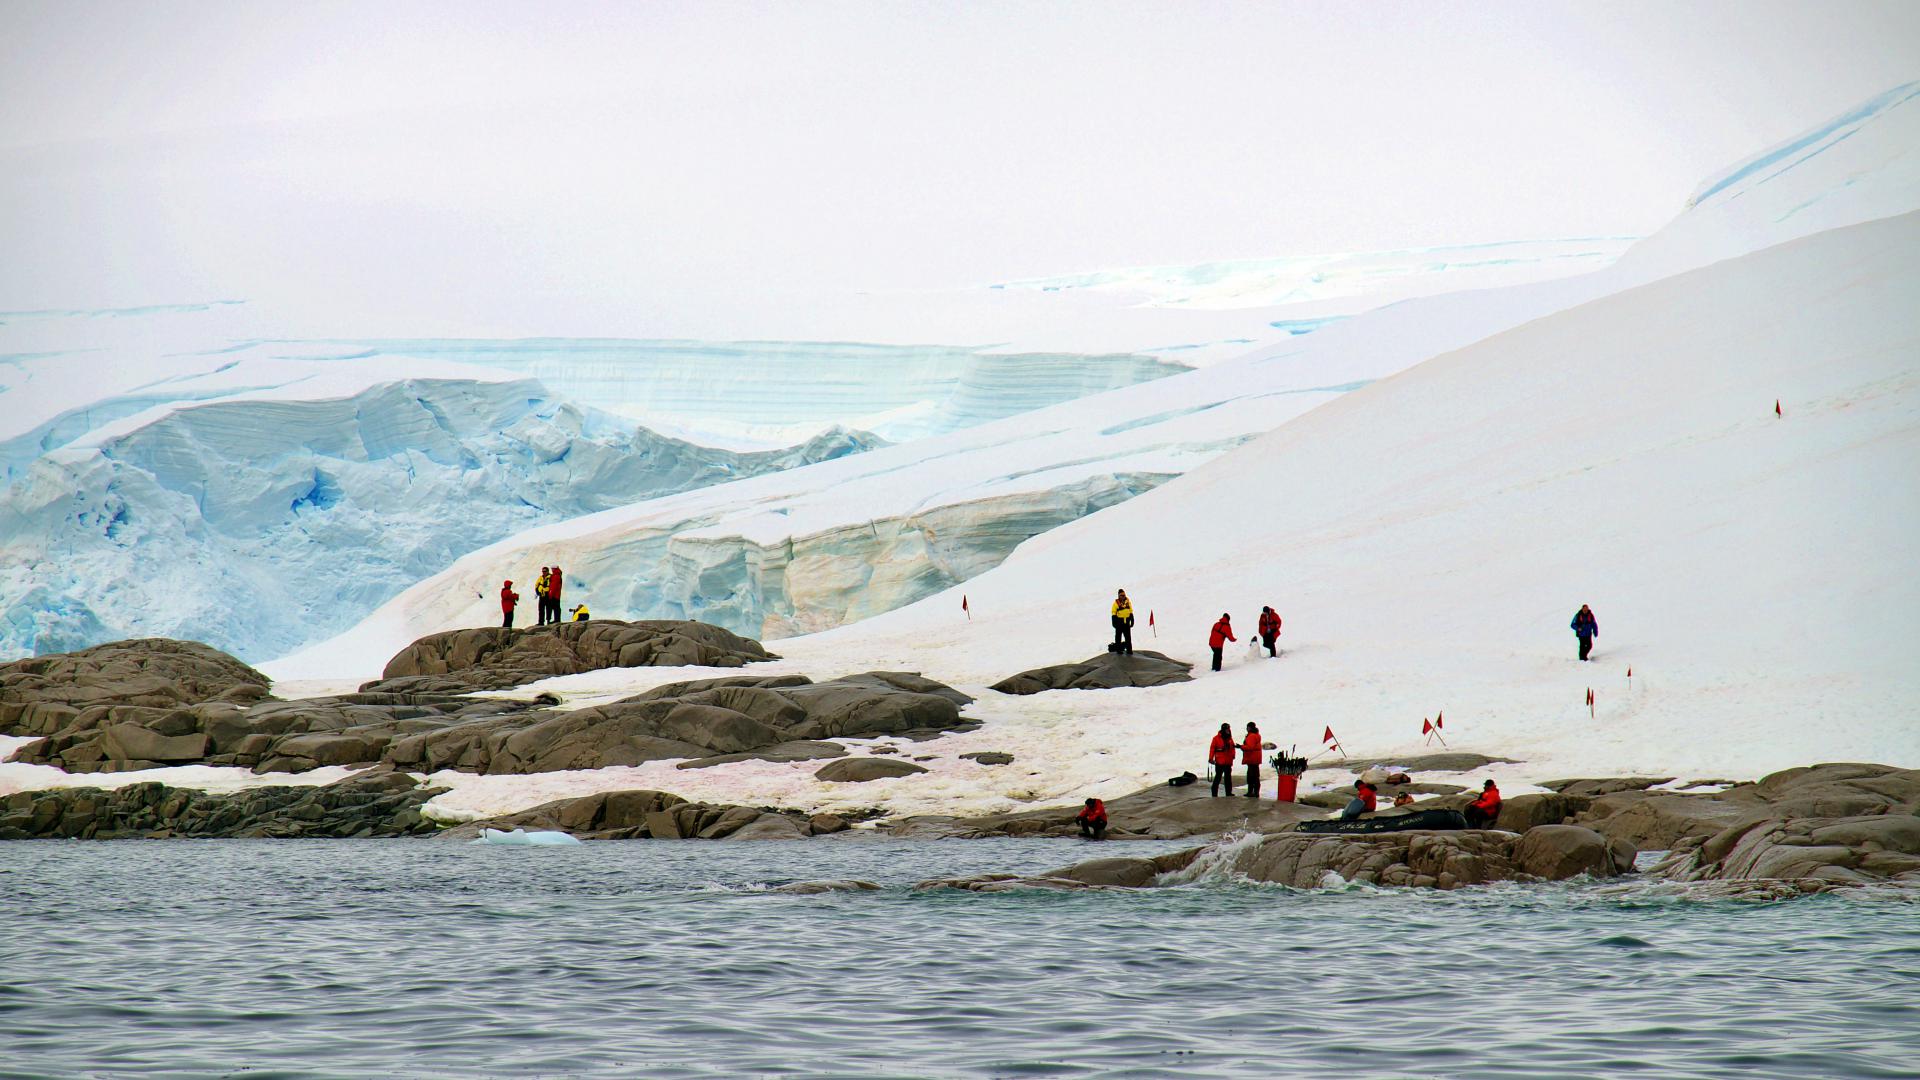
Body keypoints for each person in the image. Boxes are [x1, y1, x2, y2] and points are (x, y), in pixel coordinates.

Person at [1208, 723, 1237, 796]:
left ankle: (1228, 792)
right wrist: (1211, 758)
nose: (1228, 730)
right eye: (1227, 729)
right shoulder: (1216, 738)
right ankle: (1214, 793)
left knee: (1228, 778)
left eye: (1228, 729)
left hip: (1228, 761)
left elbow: (1232, 748)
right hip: (1220, 761)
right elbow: (1212, 748)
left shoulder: (1230, 738)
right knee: (1218, 777)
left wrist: (1233, 755)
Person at [1241, 722, 1265, 798]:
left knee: (1252, 776)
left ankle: (1252, 792)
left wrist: (1241, 746)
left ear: (1250, 728)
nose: (1246, 728)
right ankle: (1255, 792)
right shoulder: (1256, 735)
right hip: (1255, 759)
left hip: (1252, 758)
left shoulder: (1251, 736)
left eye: (1247, 727)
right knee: (1254, 776)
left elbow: (1249, 747)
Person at [1110, 589, 1135, 655]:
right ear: (1118, 596)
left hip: (1126, 622)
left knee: (1128, 638)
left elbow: (1130, 610)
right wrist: (1114, 621)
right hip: (1119, 623)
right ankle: (1118, 650)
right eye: (1121, 595)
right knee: (1118, 637)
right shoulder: (1116, 603)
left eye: (1124, 595)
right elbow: (1113, 612)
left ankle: (1129, 650)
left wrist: (1132, 619)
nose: (1123, 596)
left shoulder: (1128, 602)